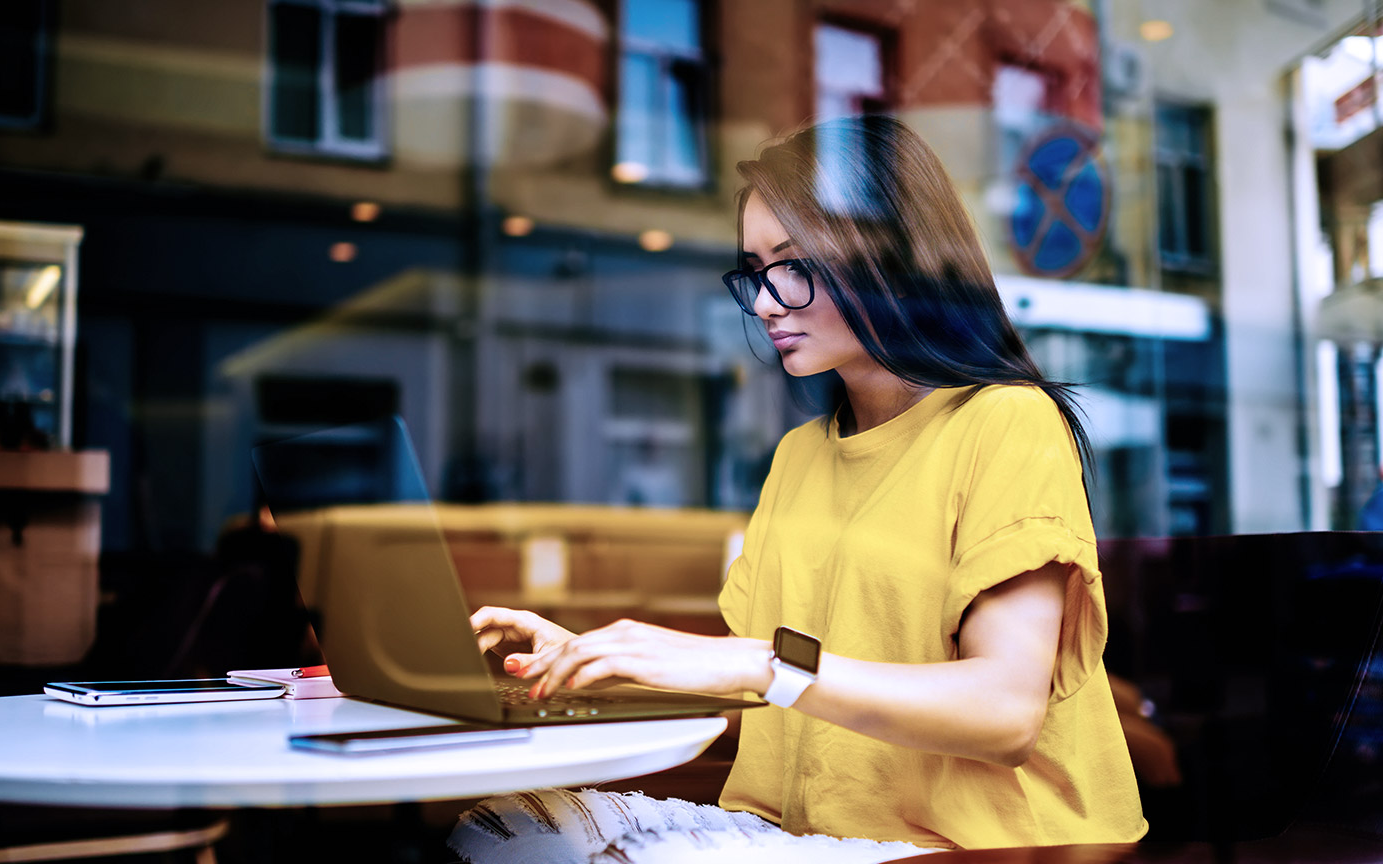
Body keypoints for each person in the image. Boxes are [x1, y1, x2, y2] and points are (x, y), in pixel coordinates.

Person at [451, 115, 1146, 862]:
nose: (764, 303)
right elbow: (765, 687)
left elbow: (1004, 711)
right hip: (802, 834)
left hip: (975, 846)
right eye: (754, 270)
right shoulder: (802, 454)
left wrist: (761, 664)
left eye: (792, 264)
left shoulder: (1007, 422)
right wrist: (590, 665)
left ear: (897, 260)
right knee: (501, 831)